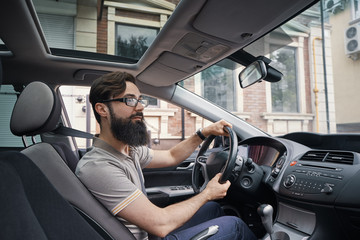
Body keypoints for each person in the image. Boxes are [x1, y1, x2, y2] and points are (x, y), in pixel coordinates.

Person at [75, 71, 256, 240]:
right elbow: (160, 224)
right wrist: (207, 193)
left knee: (213, 209)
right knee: (234, 226)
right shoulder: (98, 166)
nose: (140, 107)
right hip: (149, 233)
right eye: (130, 100)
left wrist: (204, 133)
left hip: (148, 231)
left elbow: (171, 156)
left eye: (140, 100)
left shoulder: (129, 150)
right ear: (102, 109)